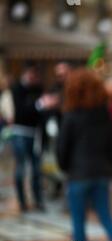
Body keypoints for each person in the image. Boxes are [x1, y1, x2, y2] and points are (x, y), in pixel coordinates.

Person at [57, 68, 112, 241]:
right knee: (106, 217)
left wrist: (65, 167)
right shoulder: (104, 113)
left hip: (78, 174)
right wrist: (109, 166)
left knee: (78, 222)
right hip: (102, 172)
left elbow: (62, 148)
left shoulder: (71, 115)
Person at [10, 64, 59, 212]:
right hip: (20, 133)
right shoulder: (17, 88)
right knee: (21, 169)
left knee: (37, 170)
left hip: (35, 134)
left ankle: (38, 200)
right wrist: (40, 104)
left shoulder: (38, 89)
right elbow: (21, 112)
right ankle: (22, 201)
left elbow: (39, 113)